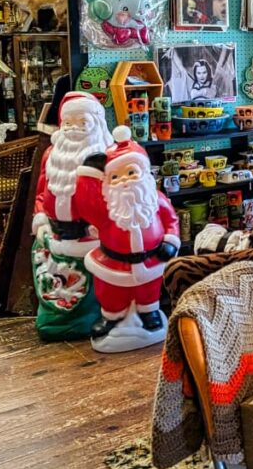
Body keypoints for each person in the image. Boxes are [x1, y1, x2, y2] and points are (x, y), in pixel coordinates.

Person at [73, 126, 180, 349]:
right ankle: (111, 316)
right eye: (116, 176)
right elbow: (86, 205)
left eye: (131, 173)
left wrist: (170, 240)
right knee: (110, 291)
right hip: (114, 261)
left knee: (149, 289)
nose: (125, 181)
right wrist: (87, 174)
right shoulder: (107, 206)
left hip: (151, 258)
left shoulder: (156, 199)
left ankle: (149, 312)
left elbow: (171, 220)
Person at [32, 93, 115, 340]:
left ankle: (95, 318)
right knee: (51, 282)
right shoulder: (52, 155)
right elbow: (41, 191)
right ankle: (54, 321)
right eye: (68, 123)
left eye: (82, 122)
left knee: (96, 290)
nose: (73, 129)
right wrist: (40, 217)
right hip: (55, 235)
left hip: (90, 237)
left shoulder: (106, 156)